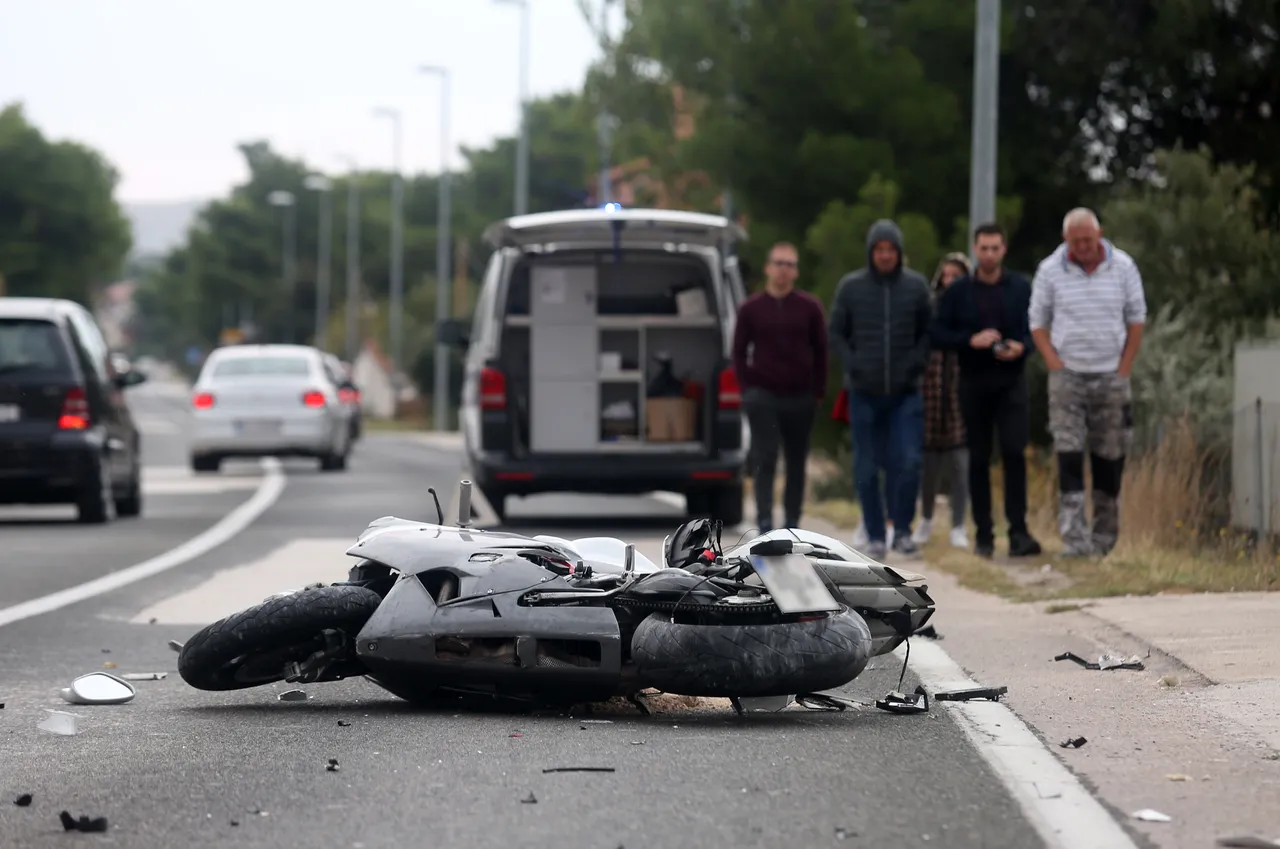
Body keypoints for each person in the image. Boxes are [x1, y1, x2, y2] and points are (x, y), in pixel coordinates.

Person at [1029, 208, 1147, 557]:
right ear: (1066, 240)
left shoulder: (1123, 266)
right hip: (1068, 377)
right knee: (1068, 454)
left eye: (1088, 239)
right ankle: (1074, 541)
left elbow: (1137, 318)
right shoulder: (1050, 271)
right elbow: (1037, 321)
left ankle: (1104, 540)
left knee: (1109, 457)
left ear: (1100, 235)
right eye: (1076, 240)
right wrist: (1054, 362)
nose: (1083, 246)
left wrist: (1124, 368)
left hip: (1111, 375)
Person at [932, 223, 1042, 558]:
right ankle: (983, 535)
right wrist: (970, 340)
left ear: (1004, 249)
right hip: (973, 383)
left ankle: (1019, 532)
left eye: (996, 248)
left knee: (1013, 453)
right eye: (984, 248)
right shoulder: (958, 291)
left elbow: (1035, 330)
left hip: (1011, 383)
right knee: (978, 459)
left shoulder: (1021, 287)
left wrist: (1020, 347)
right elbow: (937, 333)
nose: (990, 254)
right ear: (975, 249)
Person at [828, 219, 933, 558]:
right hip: (864, 393)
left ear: (899, 253)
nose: (885, 255)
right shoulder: (851, 287)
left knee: (909, 460)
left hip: (906, 393)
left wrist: (914, 365)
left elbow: (928, 334)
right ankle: (875, 535)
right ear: (871, 252)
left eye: (891, 249)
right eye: (880, 249)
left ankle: (901, 530)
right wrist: (855, 364)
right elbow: (836, 334)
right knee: (866, 467)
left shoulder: (916, 288)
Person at [732, 241, 828, 532]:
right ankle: (764, 519)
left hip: (800, 396)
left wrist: (817, 391)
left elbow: (821, 350)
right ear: (768, 268)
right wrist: (747, 389)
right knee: (765, 456)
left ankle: (792, 522)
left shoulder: (809, 308)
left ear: (796, 271)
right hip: (763, 395)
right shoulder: (751, 308)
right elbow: (738, 351)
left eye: (790, 264)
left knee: (796, 461)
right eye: (779, 263)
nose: (783, 270)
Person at [912, 252, 973, 551]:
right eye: (946, 275)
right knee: (929, 464)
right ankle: (924, 519)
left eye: (957, 275)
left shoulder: (972, 308)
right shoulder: (928, 307)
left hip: (960, 392)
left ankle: (959, 525)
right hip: (931, 391)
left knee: (960, 463)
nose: (950, 281)